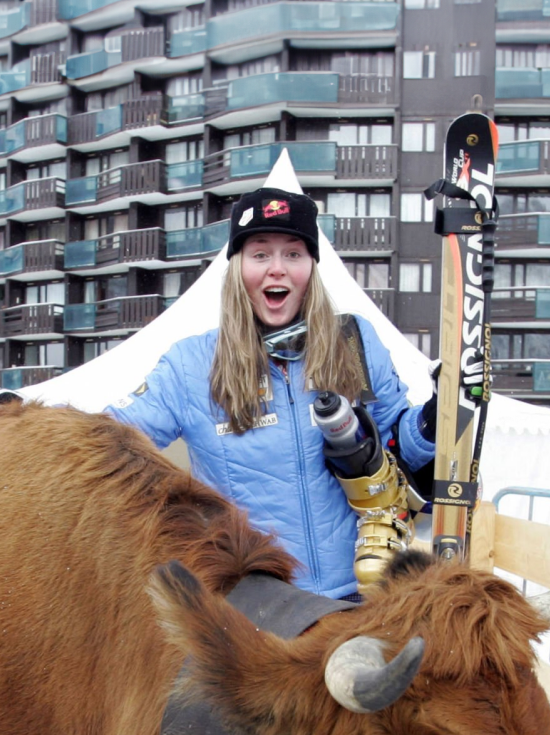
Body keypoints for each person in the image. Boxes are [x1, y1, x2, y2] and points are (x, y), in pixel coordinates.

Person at [107, 187, 436, 599]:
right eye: (260, 254)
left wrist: (436, 418)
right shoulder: (190, 365)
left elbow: (398, 443)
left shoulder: (352, 341)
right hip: (253, 605)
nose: (277, 269)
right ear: (237, 266)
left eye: (293, 254)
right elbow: (110, 442)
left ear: (311, 268)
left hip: (359, 590)